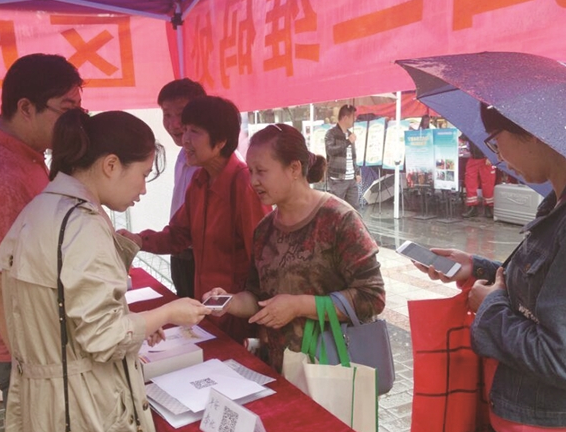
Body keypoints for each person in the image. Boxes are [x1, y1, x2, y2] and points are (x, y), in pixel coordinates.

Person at [0, 109, 211, 432]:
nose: (143, 189)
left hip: (46, 394)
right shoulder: (82, 224)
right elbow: (102, 337)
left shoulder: (39, 209)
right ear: (111, 165)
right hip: (82, 405)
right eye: (142, 174)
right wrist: (167, 313)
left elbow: (51, 304)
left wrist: (135, 321)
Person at [420, 103, 566, 432]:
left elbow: (565, 360)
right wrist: (477, 268)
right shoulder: (563, 200)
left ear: (533, 131)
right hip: (526, 417)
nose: (498, 157)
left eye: (496, 142)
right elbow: (542, 290)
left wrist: (490, 308)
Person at [0, 53, 84, 402]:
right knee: (45, 431)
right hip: (22, 347)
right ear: (26, 108)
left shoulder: (15, 148)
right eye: (67, 110)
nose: (76, 121)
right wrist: (29, 367)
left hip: (35, 335)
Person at [203, 124, 386, 372]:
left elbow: (372, 297)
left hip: (333, 369)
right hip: (282, 370)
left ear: (294, 169)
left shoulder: (339, 220)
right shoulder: (264, 230)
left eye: (261, 171)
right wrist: (231, 302)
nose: (253, 181)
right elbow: (259, 298)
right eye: (251, 171)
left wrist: (299, 306)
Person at [121, 96, 271, 343]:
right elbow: (179, 235)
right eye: (186, 129)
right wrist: (138, 240)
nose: (185, 138)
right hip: (207, 310)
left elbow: (263, 258)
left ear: (220, 142)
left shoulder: (244, 184)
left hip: (239, 317)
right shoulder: (199, 180)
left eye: (195, 132)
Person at [158, 78, 207, 298]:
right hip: (179, 253)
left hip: (204, 260)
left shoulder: (217, 166)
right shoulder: (181, 156)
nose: (173, 124)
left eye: (180, 114)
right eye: (167, 115)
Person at [325, 104, 361, 209]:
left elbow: (353, 156)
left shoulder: (350, 134)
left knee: (354, 209)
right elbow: (330, 151)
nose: (355, 119)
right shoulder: (331, 133)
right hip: (337, 179)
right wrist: (348, 141)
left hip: (351, 179)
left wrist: (357, 172)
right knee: (337, 209)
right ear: (345, 118)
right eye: (353, 117)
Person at [462, 138, 496, 218]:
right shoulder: (469, 130)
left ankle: (489, 207)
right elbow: (462, 139)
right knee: (470, 183)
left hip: (486, 159)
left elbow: (495, 143)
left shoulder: (488, 131)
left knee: (488, 184)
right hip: (473, 158)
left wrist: (490, 156)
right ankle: (472, 207)